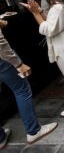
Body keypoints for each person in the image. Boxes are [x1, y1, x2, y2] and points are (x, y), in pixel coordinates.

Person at [21, 0, 64, 117]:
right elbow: (54, 25)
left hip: (63, 49)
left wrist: (36, 13)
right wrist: (40, 12)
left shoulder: (58, 8)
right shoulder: (59, 5)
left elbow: (47, 29)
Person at [0, 20, 57, 148]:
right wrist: (18, 64)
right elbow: (1, 44)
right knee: (21, 89)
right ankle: (34, 131)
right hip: (2, 60)